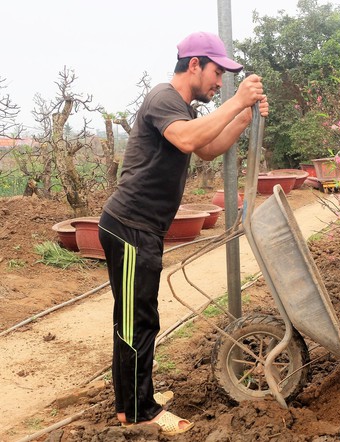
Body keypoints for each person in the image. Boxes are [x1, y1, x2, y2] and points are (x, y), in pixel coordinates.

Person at [98, 31, 268, 436]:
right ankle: (141, 414)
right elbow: (190, 138)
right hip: (129, 227)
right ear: (194, 65)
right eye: (216, 73)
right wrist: (237, 100)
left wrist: (242, 118)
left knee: (136, 319)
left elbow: (206, 148)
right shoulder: (163, 98)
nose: (219, 82)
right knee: (136, 322)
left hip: (142, 229)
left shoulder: (182, 109)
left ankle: (132, 405)